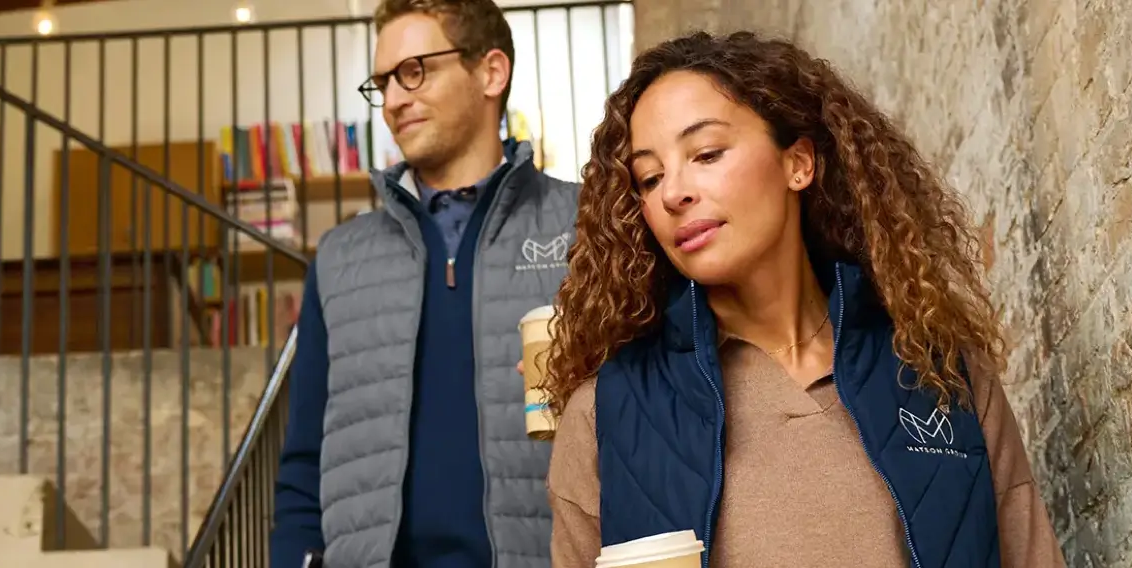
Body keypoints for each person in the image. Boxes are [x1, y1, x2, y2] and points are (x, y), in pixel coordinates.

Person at [540, 32, 1066, 567]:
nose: (673, 193)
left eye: (706, 153)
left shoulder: (943, 373)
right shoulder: (605, 414)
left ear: (799, 164)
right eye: (649, 178)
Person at [269, 0, 578, 566]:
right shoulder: (340, 259)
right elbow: (303, 465)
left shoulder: (584, 226)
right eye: (382, 81)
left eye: (415, 71)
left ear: (491, 72)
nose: (392, 100)